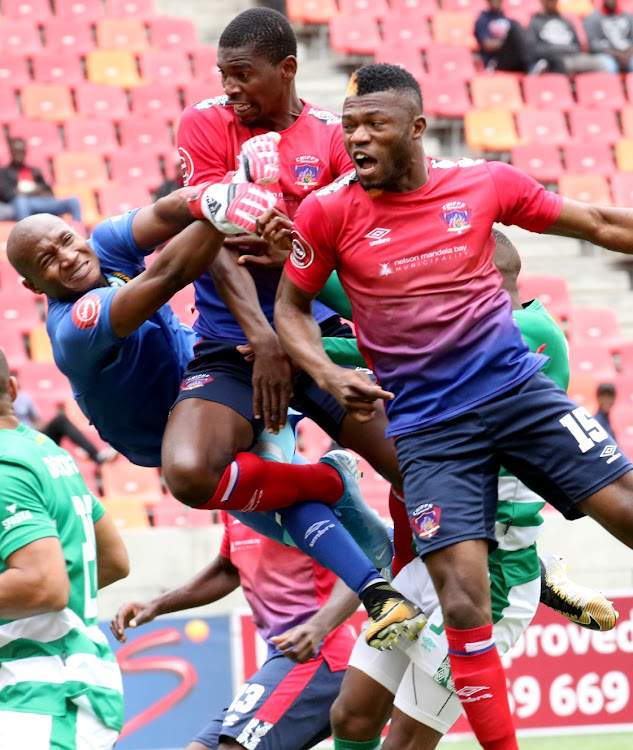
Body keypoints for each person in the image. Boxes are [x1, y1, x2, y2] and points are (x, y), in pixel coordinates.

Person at [273, 62, 633, 750]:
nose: (357, 139)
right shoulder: (327, 212)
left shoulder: (479, 184)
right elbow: (290, 310)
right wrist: (322, 367)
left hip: (514, 393)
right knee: (464, 604)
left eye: (374, 124)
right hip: (431, 431)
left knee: (623, 506)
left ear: (416, 128)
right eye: (348, 127)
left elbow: (593, 222)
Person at [7, 153, 421, 648]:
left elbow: (163, 215)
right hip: (176, 431)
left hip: (221, 389)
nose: (68, 257)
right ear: (33, 285)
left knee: (284, 497)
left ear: (76, 230)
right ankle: (366, 534)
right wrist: (227, 200)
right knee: (301, 511)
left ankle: (377, 582)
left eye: (65, 241)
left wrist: (206, 196)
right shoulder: (73, 327)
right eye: (48, 260)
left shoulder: (103, 245)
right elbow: (166, 277)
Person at [322, 231, 617, 750]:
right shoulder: (474, 327)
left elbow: (394, 336)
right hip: (434, 556)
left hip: (493, 574)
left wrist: (298, 343)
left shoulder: (525, 330)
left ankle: (541, 570)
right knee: (351, 716)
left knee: (408, 740)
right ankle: (547, 570)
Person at [167, 6, 412, 605]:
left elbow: (349, 244)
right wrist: (267, 337)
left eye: (243, 74)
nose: (229, 88)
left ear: (288, 69)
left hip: (321, 338)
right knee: (189, 473)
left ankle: (421, 576)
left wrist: (289, 258)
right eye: (223, 73)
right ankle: (323, 481)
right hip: (235, 342)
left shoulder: (332, 134)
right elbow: (210, 243)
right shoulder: (205, 122)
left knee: (420, 466)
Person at [111, 512, 359, 750]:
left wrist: (318, 626)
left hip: (320, 657)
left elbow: (361, 560)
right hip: (283, 660)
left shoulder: (301, 492)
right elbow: (226, 569)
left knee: (232, 746)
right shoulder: (233, 507)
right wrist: (156, 605)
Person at [0, 347, 129, 749]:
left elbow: (44, 586)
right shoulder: (45, 451)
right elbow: (113, 560)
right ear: (13, 389)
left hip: (43, 695)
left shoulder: (5, 466)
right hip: (56, 687)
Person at [11, 369, 117, 465]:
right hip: (14, 441)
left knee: (60, 420)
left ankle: (96, 456)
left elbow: (39, 421)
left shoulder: (24, 398)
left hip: (32, 437)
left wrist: (28, 430)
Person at [0, 137, 83, 224]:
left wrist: (37, 189)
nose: (19, 154)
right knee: (21, 201)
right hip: (19, 205)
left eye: (21, 151)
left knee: (74, 201)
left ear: (25, 152)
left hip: (39, 202)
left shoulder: (34, 171)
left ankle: (77, 232)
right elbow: (6, 194)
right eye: (16, 151)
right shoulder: (4, 173)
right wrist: (22, 192)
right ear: (11, 152)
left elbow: (48, 192)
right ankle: (26, 234)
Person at [527, 0, 609, 74]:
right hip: (552, 59)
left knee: (599, 64)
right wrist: (558, 49)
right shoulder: (535, 21)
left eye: (554, 1)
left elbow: (577, 46)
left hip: (573, 56)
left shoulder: (566, 21)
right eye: (549, 1)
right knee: (557, 65)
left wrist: (558, 48)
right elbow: (535, 50)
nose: (551, 3)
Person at [474, 0, 534, 73]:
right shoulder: (482, 20)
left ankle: (533, 66)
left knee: (520, 28)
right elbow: (488, 45)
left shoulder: (507, 19)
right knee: (515, 27)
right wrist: (511, 41)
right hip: (495, 62)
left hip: (513, 58)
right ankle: (532, 66)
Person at [583, 0, 633, 74]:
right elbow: (593, 45)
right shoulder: (592, 18)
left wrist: (628, 54)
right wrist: (616, 55)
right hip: (605, 54)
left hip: (626, 53)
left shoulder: (628, 16)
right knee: (609, 67)